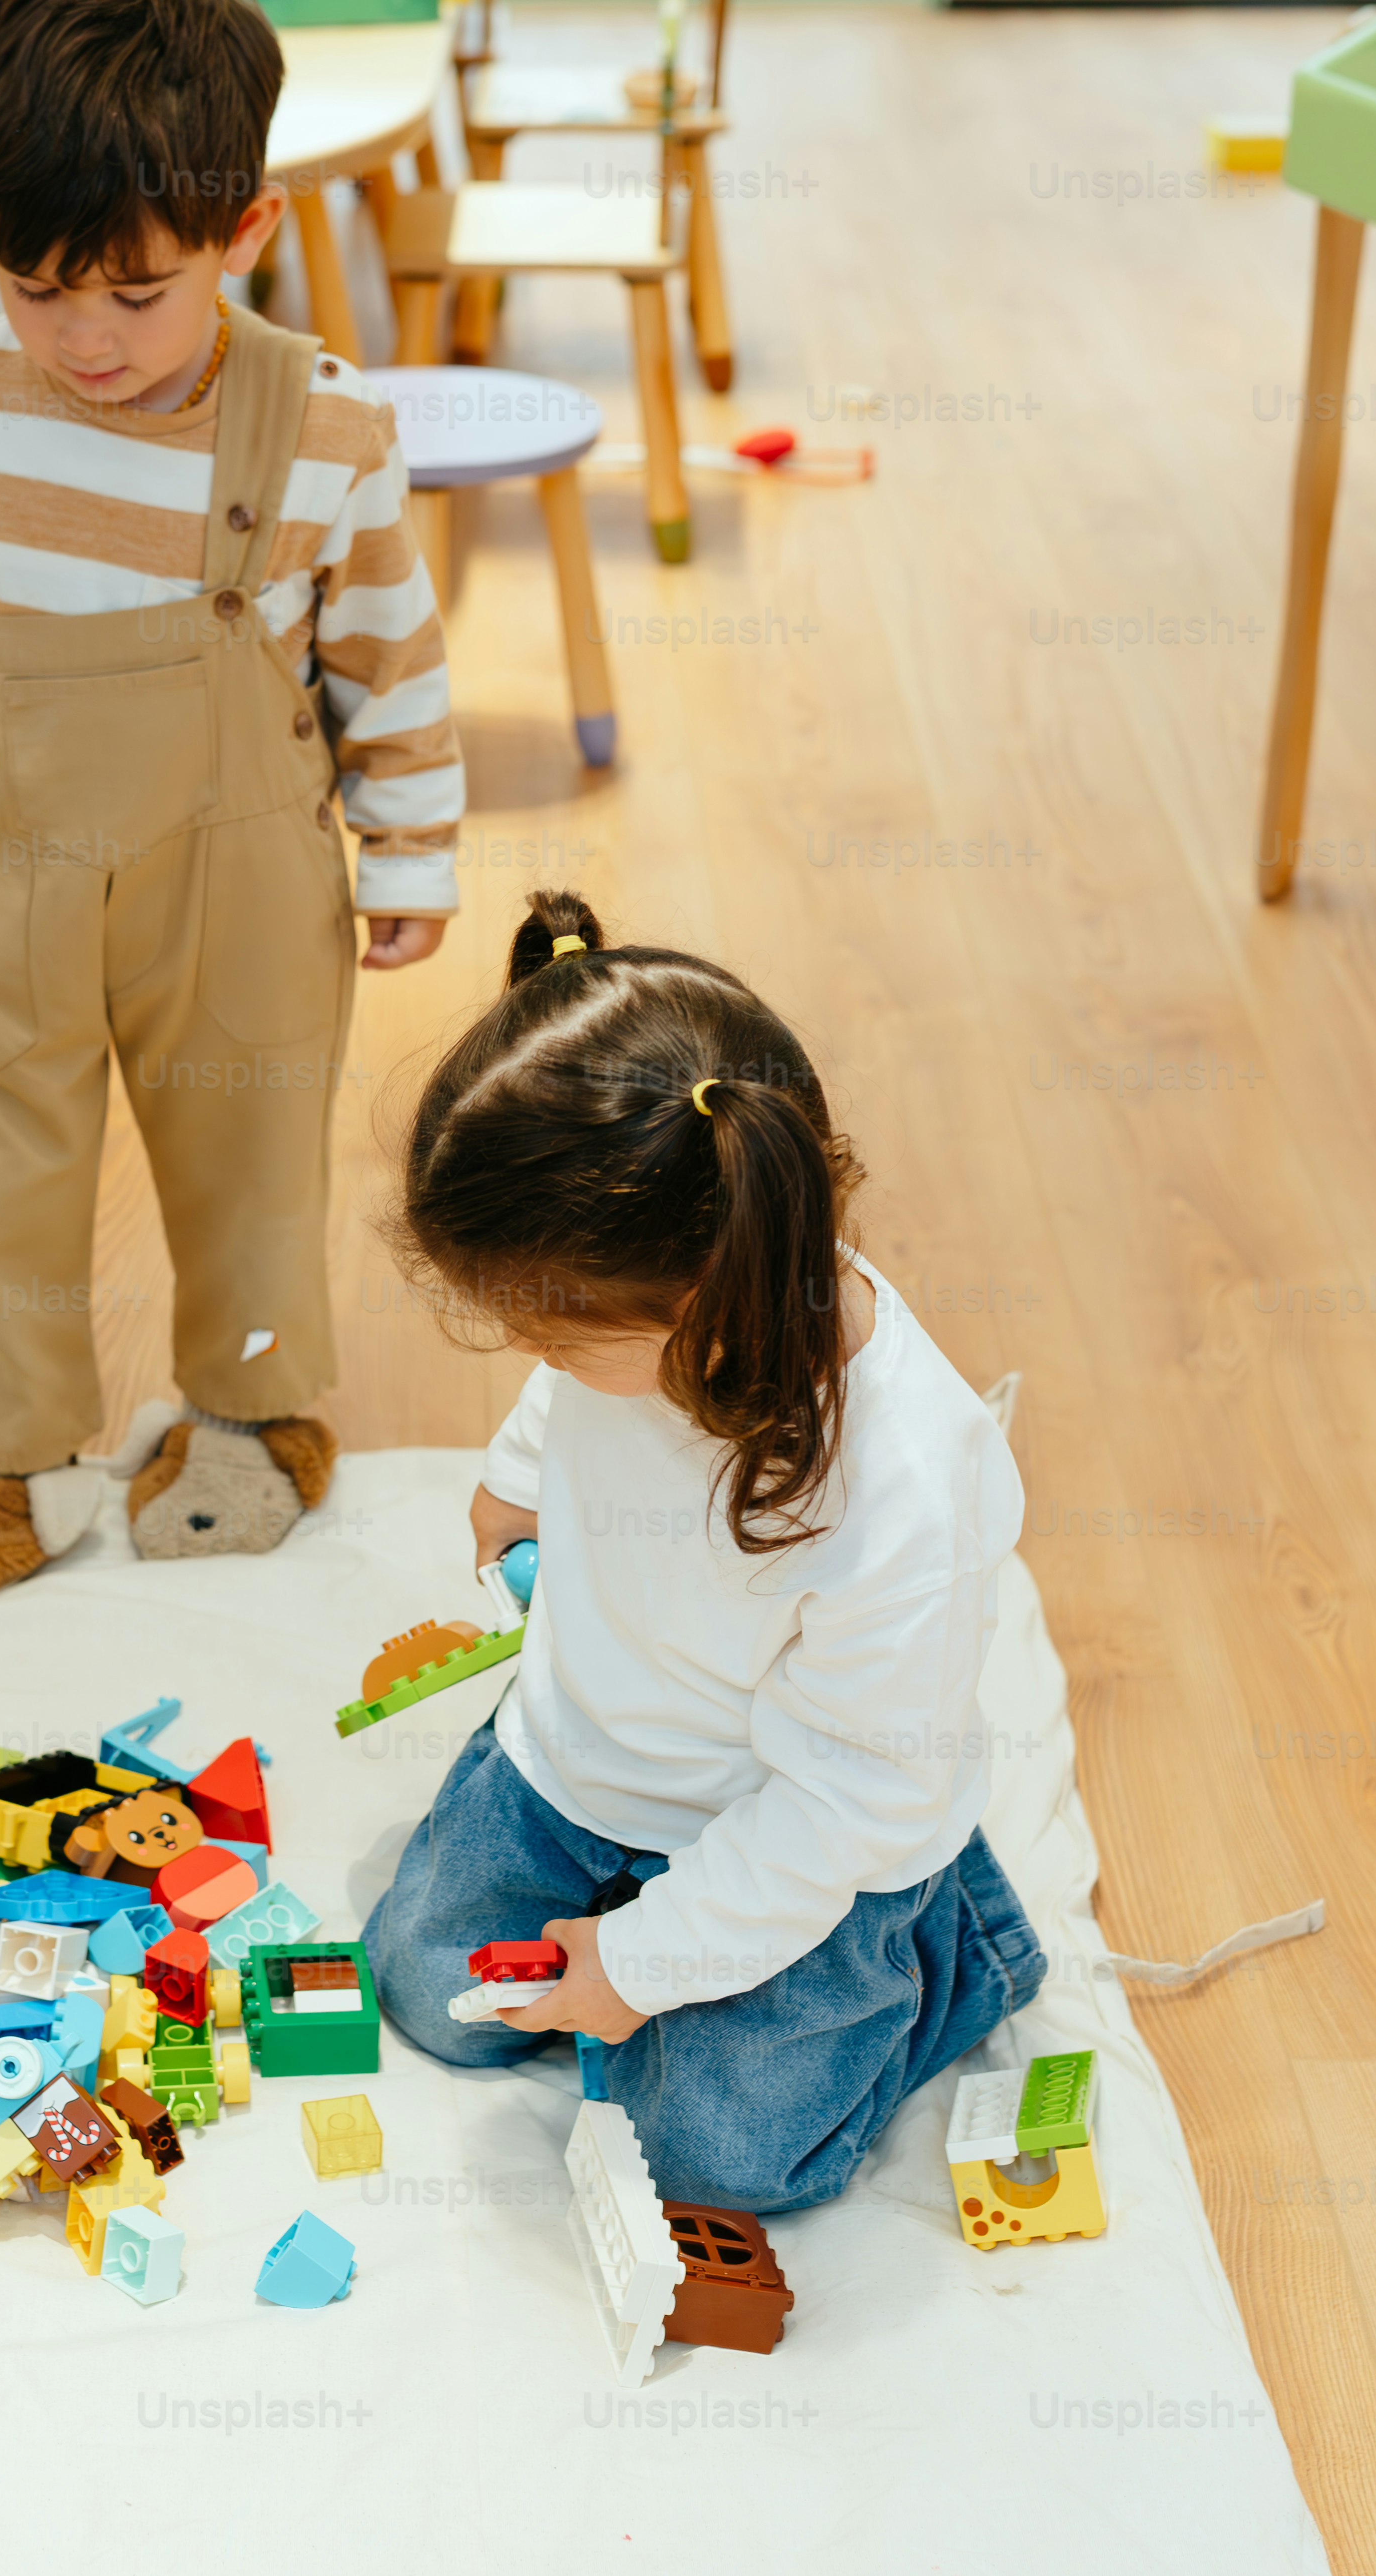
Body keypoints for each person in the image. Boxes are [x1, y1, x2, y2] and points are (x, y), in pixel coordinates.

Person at [0, 0, 461, 1601]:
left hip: (241, 877)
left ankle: (248, 1411)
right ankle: (8, 1444)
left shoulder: (328, 427)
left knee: (246, 1150)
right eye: (36, 285)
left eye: (138, 292)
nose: (85, 338)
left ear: (244, 233)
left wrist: (414, 856)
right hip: (5, 870)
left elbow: (384, 653)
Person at [363, 893, 1053, 2212]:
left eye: (552, 1342)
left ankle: (958, 1946)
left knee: (719, 2160)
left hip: (801, 1834)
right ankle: (647, 1916)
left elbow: (841, 1804)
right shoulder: (669, 1296)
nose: (536, 1364)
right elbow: (572, 1400)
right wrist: (519, 1480)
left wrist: (637, 1966)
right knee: (432, 1991)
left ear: (701, 1306)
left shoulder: (906, 1494)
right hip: (591, 1754)